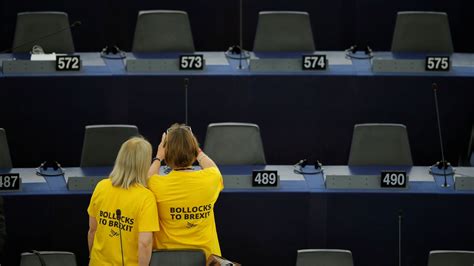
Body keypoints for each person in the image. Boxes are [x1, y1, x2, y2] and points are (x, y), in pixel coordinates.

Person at [148, 123, 223, 259]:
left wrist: (159, 156)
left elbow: (147, 178)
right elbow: (214, 168)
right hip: (206, 259)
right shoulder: (211, 179)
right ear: (193, 151)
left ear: (166, 152)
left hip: (167, 260)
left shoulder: (156, 184)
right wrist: (197, 150)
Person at [88, 137, 159, 266]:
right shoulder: (145, 197)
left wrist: (92, 259)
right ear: (144, 164)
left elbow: (93, 230)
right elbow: (145, 243)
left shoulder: (101, 186)